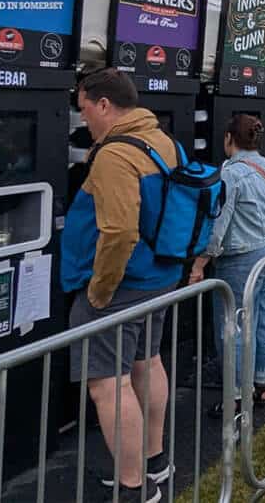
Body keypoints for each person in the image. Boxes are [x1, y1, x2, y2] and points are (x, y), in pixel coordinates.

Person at [64, 68, 179, 499]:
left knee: (107, 384)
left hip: (121, 285)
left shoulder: (114, 154)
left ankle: (133, 489)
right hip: (160, 275)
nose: (84, 120)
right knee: (147, 362)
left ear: (105, 105)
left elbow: (118, 231)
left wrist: (99, 289)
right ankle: (155, 464)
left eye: (85, 109)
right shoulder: (162, 140)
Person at [190, 113, 265, 415]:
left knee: (231, 325)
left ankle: (235, 395)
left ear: (228, 139)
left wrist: (199, 263)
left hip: (243, 257)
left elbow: (218, 224)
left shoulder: (230, 175)